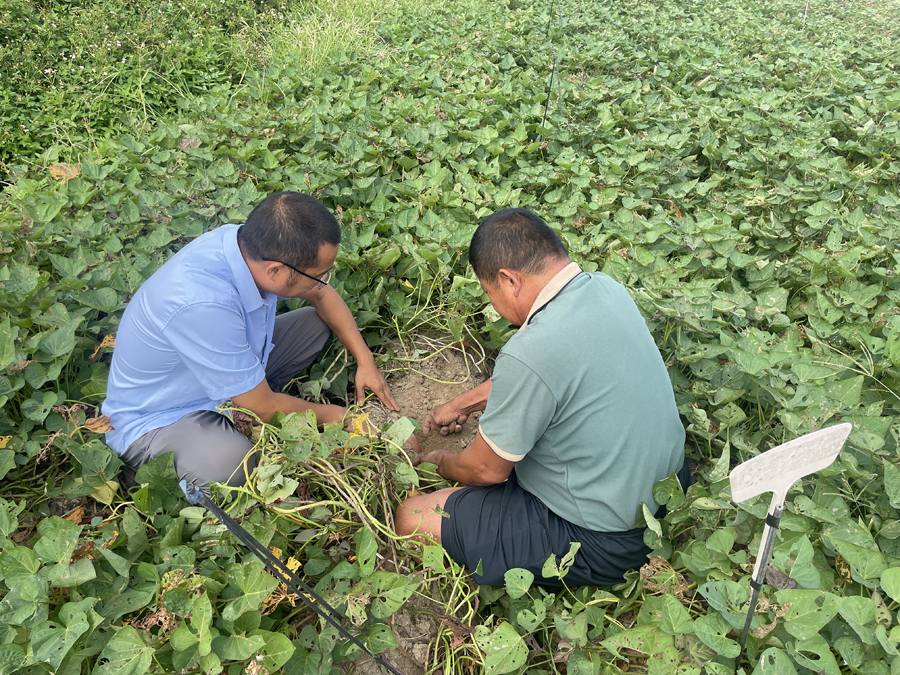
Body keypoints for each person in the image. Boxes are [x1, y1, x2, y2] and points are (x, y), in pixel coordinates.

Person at [395, 208, 689, 587]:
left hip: (607, 539)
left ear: (508, 280)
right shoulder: (605, 288)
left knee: (412, 517)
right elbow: (555, 374)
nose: (494, 306)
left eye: (489, 293)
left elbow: (486, 471)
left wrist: (442, 463)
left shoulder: (529, 351)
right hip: (670, 491)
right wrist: (462, 403)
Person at [102, 191, 399, 491]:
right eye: (320, 275)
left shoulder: (247, 246)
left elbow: (321, 294)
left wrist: (366, 361)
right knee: (232, 464)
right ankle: (176, 459)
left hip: (219, 374)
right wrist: (345, 418)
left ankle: (246, 394)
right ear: (275, 271)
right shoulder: (201, 302)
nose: (324, 283)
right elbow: (263, 408)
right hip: (162, 416)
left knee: (312, 325)